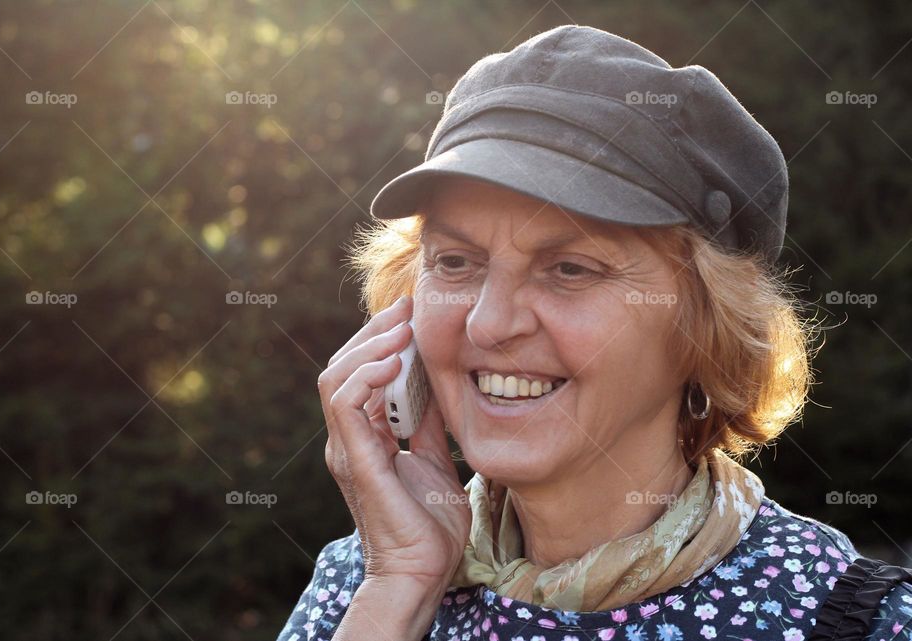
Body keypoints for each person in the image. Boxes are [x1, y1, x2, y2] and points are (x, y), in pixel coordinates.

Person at [278, 25, 912, 641]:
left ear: (707, 324)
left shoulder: (853, 622)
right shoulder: (359, 585)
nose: (490, 322)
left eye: (570, 269)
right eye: (454, 261)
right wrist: (398, 593)